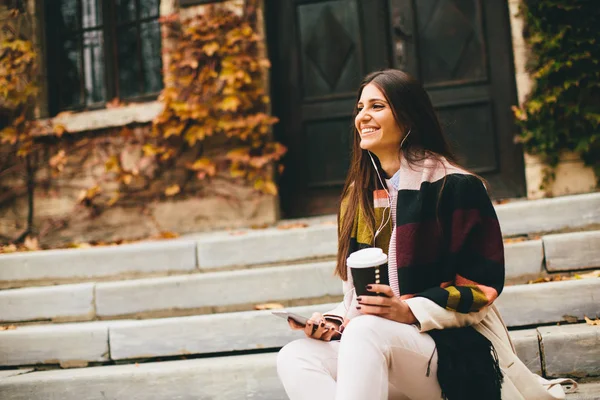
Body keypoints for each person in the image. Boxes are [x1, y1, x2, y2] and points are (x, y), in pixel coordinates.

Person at [276, 69, 576, 400]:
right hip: (380, 346)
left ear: (408, 117)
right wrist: (334, 321)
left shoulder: (456, 187)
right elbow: (360, 300)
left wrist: (410, 311)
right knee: (296, 355)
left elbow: (480, 290)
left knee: (364, 331)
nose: (363, 117)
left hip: (455, 352)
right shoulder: (357, 198)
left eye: (377, 106)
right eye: (360, 107)